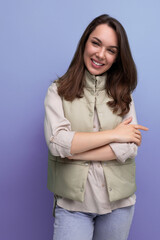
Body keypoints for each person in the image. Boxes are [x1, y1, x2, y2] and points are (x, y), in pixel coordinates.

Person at [44, 14, 148, 240]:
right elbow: (58, 144)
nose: (101, 54)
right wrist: (114, 135)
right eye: (96, 43)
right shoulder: (57, 91)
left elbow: (130, 148)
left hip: (119, 205)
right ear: (85, 43)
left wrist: (76, 151)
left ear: (117, 57)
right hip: (72, 205)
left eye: (111, 50)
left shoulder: (124, 93)